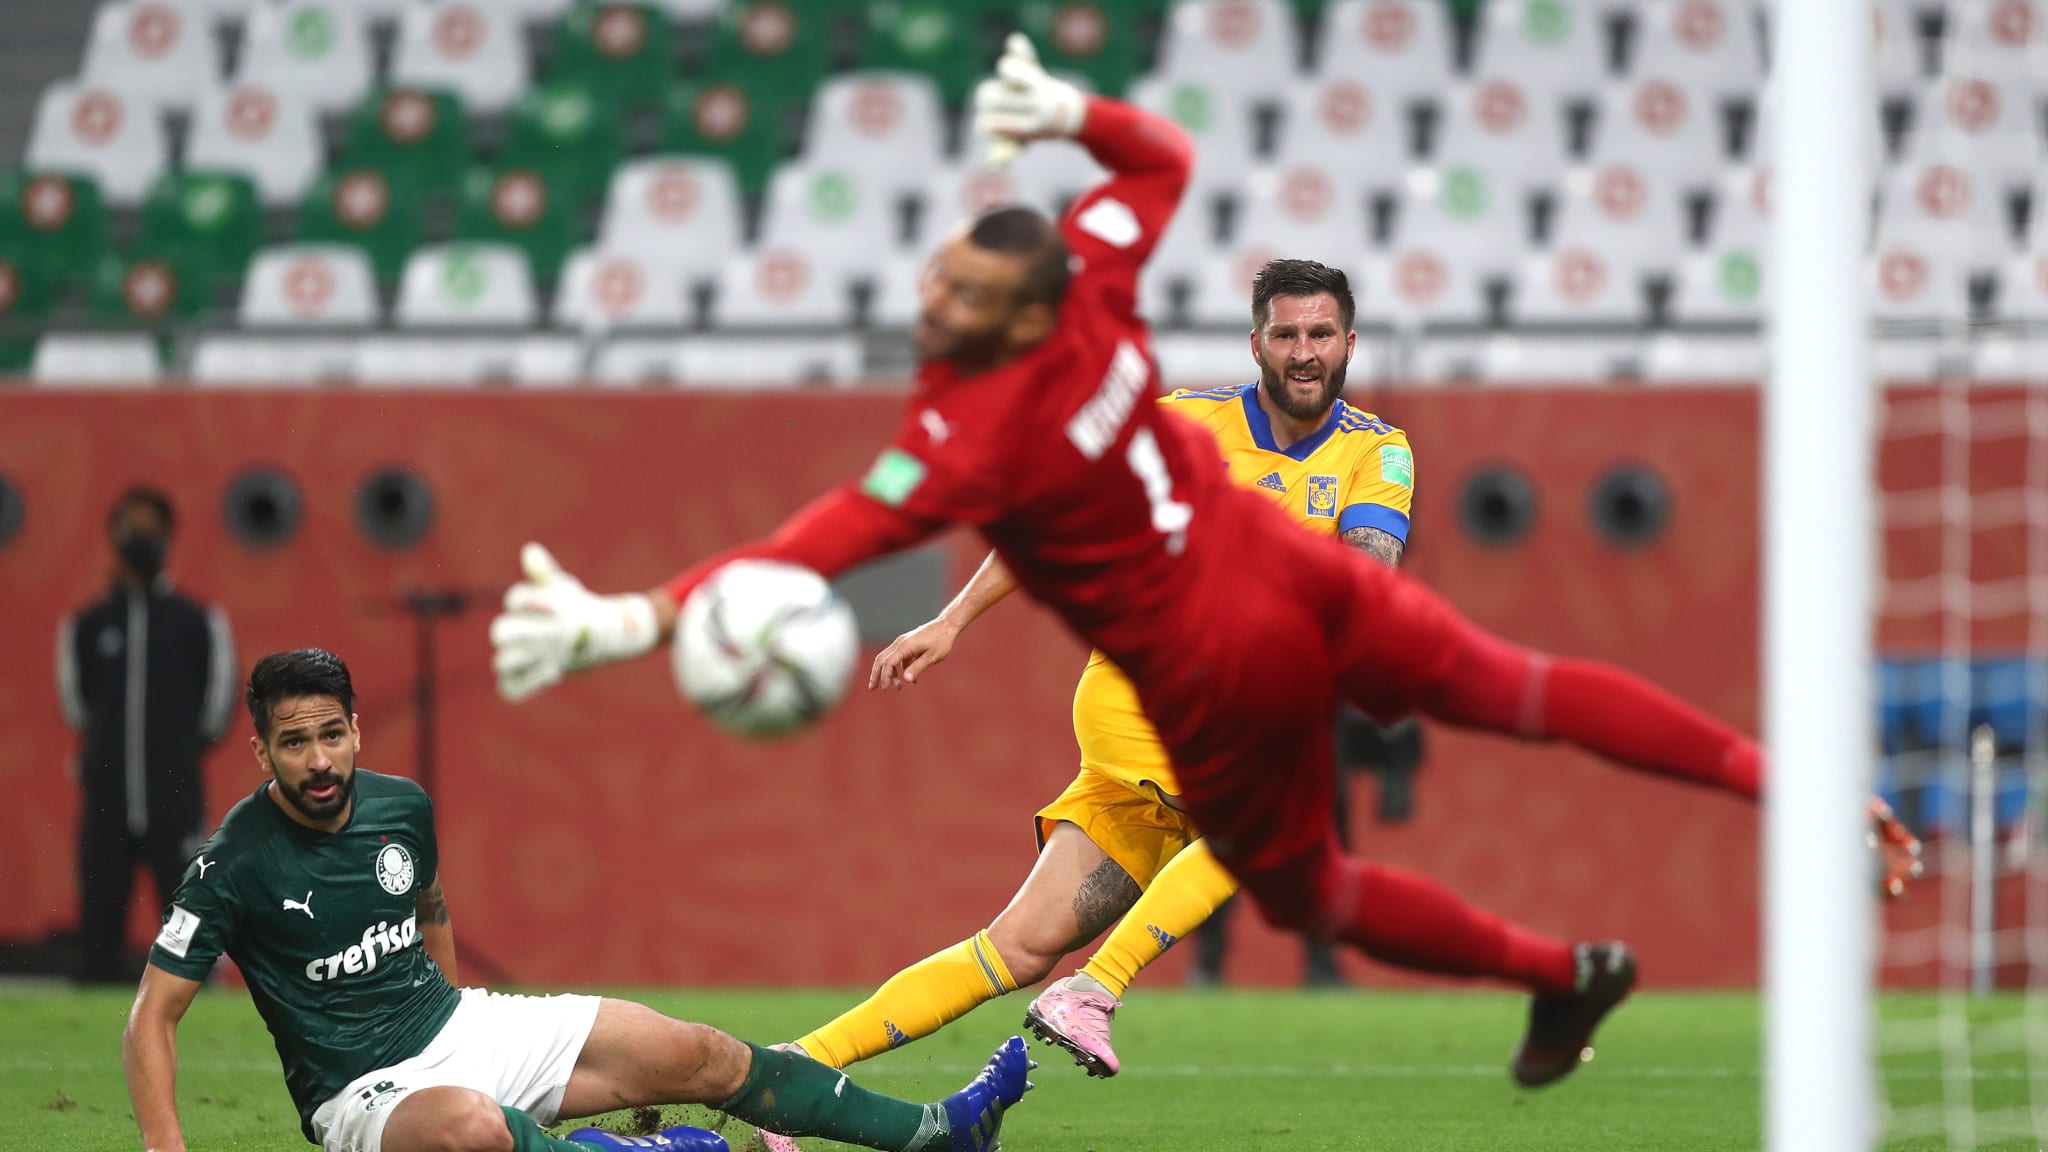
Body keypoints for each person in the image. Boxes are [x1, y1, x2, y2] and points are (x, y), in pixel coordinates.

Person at [489, 35, 1918, 1095]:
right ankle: (1105, 995)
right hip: (1175, 679)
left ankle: (795, 1080)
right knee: (1309, 832)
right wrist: (632, 618)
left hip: (1289, 629)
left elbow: (1158, 162)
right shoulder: (980, 429)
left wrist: (1069, 115)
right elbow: (804, 549)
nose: (950, 307)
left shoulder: (1094, 336)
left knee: (1047, 935)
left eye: (970, 293)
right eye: (945, 296)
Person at [743, 258, 1414, 1107]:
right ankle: (1094, 990)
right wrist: (950, 620)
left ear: (1349, 342)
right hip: (1148, 696)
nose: (1304, 352)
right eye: (1286, 334)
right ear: (1257, 344)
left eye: (1321, 334)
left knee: (1013, 950)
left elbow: (1372, 567)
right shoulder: (1184, 428)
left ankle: (786, 1072)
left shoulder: (1378, 450)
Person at [122, 648, 1033, 1152]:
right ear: (261, 752)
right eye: (293, 744)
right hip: (362, 1093)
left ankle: (939, 1133)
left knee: (702, 1055)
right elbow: (150, 1022)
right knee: (471, 1131)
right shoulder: (232, 861)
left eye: (330, 735)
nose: (318, 761)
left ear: (357, 729)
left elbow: (430, 907)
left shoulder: (402, 806)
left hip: (456, 1026)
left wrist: (455, 1016)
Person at [58, 484, 237, 984]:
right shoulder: (87, 626)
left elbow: (217, 709)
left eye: (150, 530)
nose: (141, 539)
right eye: (131, 528)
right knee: (99, 921)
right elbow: (77, 707)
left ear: (167, 537)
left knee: (188, 919)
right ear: (114, 535)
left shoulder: (197, 623)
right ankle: (89, 1031)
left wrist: (174, 756)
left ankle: (197, 1023)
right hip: (106, 801)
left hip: (175, 797)